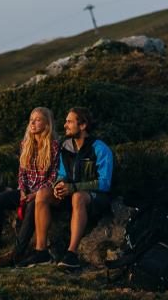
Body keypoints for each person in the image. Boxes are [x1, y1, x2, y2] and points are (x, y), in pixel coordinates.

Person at [20, 107, 113, 269]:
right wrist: (58, 185)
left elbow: (104, 183)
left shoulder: (100, 149)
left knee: (78, 197)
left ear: (83, 125)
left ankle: (72, 254)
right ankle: (41, 251)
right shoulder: (66, 146)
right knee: (42, 193)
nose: (65, 125)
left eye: (69, 122)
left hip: (95, 197)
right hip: (71, 191)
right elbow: (61, 173)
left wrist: (74, 187)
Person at [0, 107, 60, 268]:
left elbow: (54, 176)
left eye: (38, 119)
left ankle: (17, 253)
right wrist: (23, 190)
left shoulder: (53, 146)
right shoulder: (25, 144)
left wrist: (35, 194)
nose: (32, 122)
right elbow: (22, 172)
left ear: (47, 124)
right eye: (31, 119)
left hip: (42, 194)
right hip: (26, 191)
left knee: (33, 205)